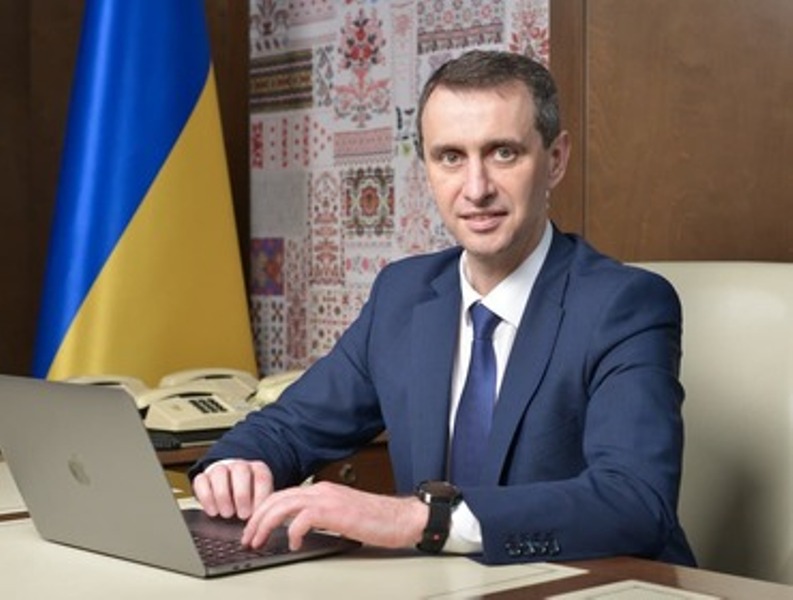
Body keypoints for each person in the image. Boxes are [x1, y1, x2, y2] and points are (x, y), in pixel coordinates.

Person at [190, 49, 696, 566]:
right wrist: (237, 465)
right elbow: (289, 426)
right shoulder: (403, 294)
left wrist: (420, 520)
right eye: (451, 157)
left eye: (503, 153)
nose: (476, 189)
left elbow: (635, 501)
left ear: (556, 159)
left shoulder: (624, 306)